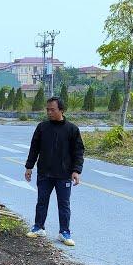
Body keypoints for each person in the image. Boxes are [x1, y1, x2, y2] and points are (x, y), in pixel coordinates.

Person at [24, 96, 84, 246]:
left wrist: (76, 171)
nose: (49, 112)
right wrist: (29, 167)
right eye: (47, 109)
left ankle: (64, 232)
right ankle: (38, 227)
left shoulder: (72, 129)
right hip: (45, 173)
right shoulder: (42, 127)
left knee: (64, 204)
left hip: (64, 175)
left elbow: (78, 152)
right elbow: (34, 148)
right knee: (41, 201)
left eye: (53, 109)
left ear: (61, 110)